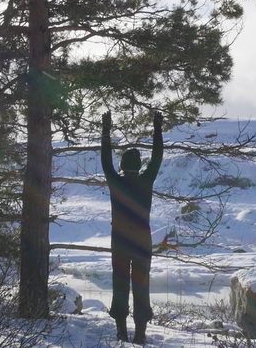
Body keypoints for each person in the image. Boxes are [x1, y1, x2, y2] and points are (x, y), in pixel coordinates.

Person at [101, 111, 163, 344]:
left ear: (122, 165)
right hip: (142, 243)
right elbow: (157, 157)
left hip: (119, 242)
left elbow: (105, 161)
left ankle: (121, 331)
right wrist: (157, 128)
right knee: (141, 286)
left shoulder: (116, 182)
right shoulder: (146, 181)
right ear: (139, 165)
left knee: (120, 285)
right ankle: (140, 334)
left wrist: (106, 129)